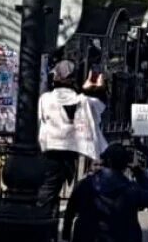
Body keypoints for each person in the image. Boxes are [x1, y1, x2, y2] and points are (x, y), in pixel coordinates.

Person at [38, 61, 108, 213]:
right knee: (50, 192)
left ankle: (46, 221)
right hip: (68, 155)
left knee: (48, 191)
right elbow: (100, 107)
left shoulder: (45, 99)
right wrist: (96, 89)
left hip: (48, 151)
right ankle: (46, 222)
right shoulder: (84, 101)